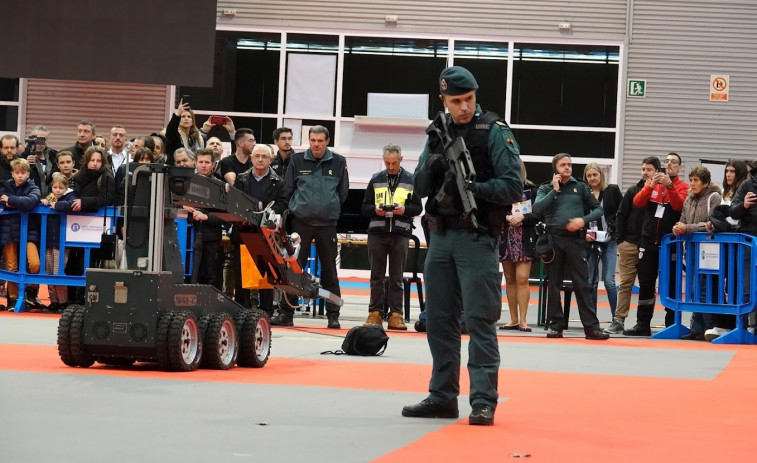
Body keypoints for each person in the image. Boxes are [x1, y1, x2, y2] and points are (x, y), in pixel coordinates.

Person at [401, 66, 522, 426]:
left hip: (477, 237)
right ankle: (442, 396)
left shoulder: (494, 131)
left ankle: (483, 400)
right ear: (444, 101)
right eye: (456, 101)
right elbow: (419, 187)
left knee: (481, 321)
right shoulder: (437, 134)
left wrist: (477, 188)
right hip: (439, 239)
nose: (464, 107)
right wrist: (436, 165)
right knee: (438, 321)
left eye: (468, 99)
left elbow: (514, 186)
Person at [274, 125, 349, 329]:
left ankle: (333, 315)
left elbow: (343, 194)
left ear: (327, 141)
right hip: (301, 223)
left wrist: (328, 208)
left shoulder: (339, 162)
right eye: (313, 140)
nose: (316, 144)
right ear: (309, 140)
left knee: (329, 271)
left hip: (327, 225)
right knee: (294, 268)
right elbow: (288, 190)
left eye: (320, 141)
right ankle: (287, 312)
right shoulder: (296, 161)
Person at [532, 153, 610, 341]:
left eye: (569, 164)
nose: (567, 167)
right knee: (554, 284)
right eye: (563, 165)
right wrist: (555, 191)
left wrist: (582, 220)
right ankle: (555, 327)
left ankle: (591, 329)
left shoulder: (581, 187)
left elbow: (599, 209)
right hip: (553, 240)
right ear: (555, 168)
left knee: (583, 285)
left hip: (576, 240)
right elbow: (536, 210)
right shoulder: (545, 187)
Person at [624, 152, 689, 336]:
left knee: (671, 283)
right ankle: (642, 324)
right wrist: (650, 185)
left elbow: (678, 206)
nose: (669, 164)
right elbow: (637, 203)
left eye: (674, 162)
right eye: (667, 161)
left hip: (670, 243)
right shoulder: (651, 184)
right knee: (645, 283)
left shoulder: (683, 187)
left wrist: (670, 186)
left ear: (679, 167)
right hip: (647, 241)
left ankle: (671, 324)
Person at [361, 144, 422, 331]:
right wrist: (376, 210)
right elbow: (364, 208)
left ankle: (396, 315)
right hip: (377, 232)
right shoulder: (375, 179)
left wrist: (403, 210)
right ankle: (375, 314)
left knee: (397, 277)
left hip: (400, 233)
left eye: (394, 163)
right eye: (387, 162)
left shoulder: (411, 180)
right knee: (376, 277)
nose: (390, 166)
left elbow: (418, 208)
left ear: (401, 160)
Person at [605, 156, 660, 334]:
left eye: (649, 169)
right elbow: (621, 215)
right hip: (629, 243)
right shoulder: (632, 191)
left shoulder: (661, 193)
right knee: (626, 283)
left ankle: (642, 324)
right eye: (643, 169)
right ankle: (618, 320)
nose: (645, 172)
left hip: (650, 246)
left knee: (647, 285)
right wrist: (620, 240)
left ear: (657, 172)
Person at [234, 144, 288, 315]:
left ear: (271, 160)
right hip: (243, 231)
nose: (260, 159)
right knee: (242, 273)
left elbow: (283, 204)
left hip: (267, 233)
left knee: (267, 273)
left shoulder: (279, 182)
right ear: (251, 158)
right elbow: (235, 202)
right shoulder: (241, 179)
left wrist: (265, 215)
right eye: (256, 156)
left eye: (264, 156)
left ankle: (266, 310)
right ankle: (241, 309)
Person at [671, 166, 721, 340]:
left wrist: (687, 228)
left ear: (705, 182)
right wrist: (678, 227)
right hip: (691, 248)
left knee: (703, 288)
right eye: (691, 180)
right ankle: (697, 327)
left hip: (709, 249)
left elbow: (710, 223)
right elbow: (683, 219)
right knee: (693, 289)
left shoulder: (714, 198)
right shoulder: (689, 198)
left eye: (696, 180)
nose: (692, 184)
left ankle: (709, 327)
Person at [499, 159, 539, 332]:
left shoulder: (533, 190)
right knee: (509, 279)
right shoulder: (502, 189)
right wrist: (506, 217)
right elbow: (495, 212)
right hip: (506, 236)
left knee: (522, 278)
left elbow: (538, 214)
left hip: (524, 237)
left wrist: (522, 217)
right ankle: (513, 319)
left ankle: (523, 320)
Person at [0, 158, 41, 311]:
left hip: (29, 230)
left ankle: (30, 292)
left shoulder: (34, 187)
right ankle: (13, 298)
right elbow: (2, 201)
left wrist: (11, 200)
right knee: (11, 266)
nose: (20, 176)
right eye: (17, 173)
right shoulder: (5, 186)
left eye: (23, 173)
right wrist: (14, 202)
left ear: (28, 174)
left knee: (34, 263)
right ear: (12, 173)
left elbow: (31, 202)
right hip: (9, 230)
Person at [583, 162, 622, 319]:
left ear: (601, 175)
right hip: (590, 241)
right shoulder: (584, 194)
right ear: (585, 177)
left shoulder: (612, 190)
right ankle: (592, 318)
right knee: (591, 281)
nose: (592, 178)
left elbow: (621, 212)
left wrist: (616, 230)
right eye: (589, 175)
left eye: (595, 174)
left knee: (609, 281)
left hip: (609, 240)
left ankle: (616, 318)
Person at [40, 173, 79, 313]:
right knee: (49, 272)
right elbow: (41, 203)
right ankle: (53, 301)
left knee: (58, 272)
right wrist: (43, 202)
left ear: (66, 188)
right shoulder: (49, 198)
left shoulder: (70, 196)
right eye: (55, 187)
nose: (57, 190)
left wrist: (56, 205)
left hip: (62, 243)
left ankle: (63, 302)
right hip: (48, 241)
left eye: (60, 188)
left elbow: (71, 204)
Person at [165, 98, 204, 165]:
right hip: (176, 169)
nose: (186, 118)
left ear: (192, 121)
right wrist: (178, 115)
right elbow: (170, 132)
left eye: (189, 117)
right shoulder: (176, 135)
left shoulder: (197, 137)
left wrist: (205, 132)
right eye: (183, 116)